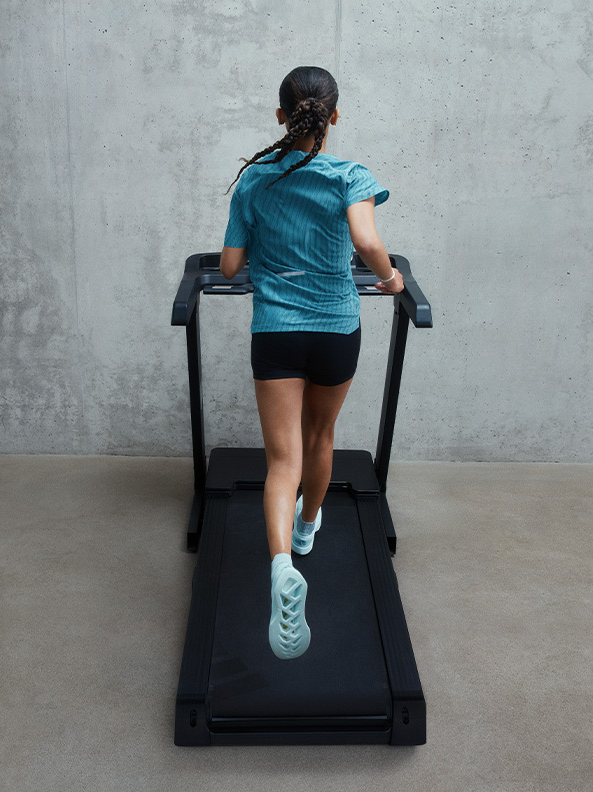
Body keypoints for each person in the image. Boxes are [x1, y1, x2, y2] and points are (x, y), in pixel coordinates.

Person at [220, 66, 404, 661]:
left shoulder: (255, 180)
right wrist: (390, 278)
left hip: (275, 331)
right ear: (335, 115)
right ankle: (307, 528)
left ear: (281, 115)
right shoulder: (350, 175)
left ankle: (280, 566)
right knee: (320, 435)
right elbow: (368, 243)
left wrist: (267, 258)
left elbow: (227, 267)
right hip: (334, 331)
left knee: (281, 460)